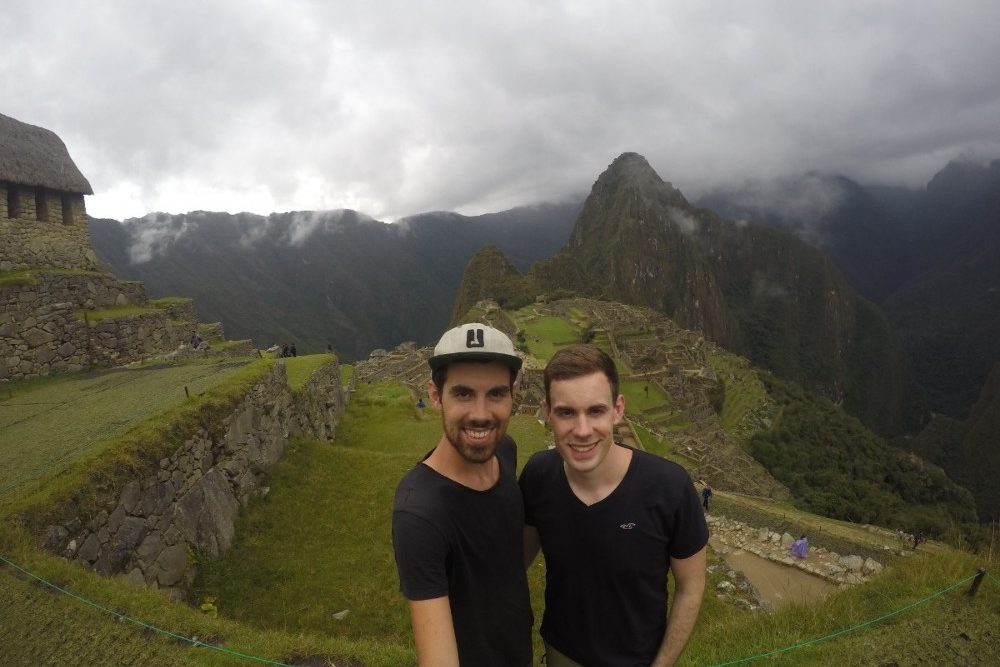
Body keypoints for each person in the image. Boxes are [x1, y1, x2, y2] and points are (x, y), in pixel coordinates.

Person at [521, 344, 708, 667]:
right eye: (567, 412)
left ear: (617, 409)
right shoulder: (539, 476)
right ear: (547, 412)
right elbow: (512, 563)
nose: (582, 430)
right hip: (562, 653)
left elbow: (691, 586)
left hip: (638, 659)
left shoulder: (669, 488)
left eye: (595, 411)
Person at [392, 323, 532, 666]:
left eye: (496, 393)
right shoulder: (420, 515)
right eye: (463, 393)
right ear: (436, 394)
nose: (481, 415)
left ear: (513, 394)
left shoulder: (505, 453)